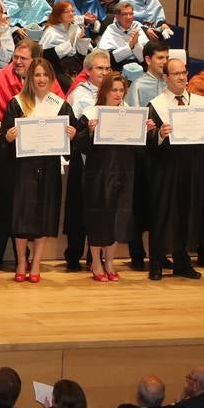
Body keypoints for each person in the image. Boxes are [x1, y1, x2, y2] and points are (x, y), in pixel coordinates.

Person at [0, 57, 75, 282]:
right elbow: (3, 140)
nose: (41, 79)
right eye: (37, 75)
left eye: (45, 75)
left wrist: (70, 136)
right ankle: (22, 260)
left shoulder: (60, 105)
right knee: (21, 215)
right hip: (22, 169)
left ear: (51, 79)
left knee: (44, 214)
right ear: (29, 78)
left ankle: (37, 262)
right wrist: (8, 138)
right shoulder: (17, 103)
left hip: (49, 168)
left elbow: (70, 144)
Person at [145, 58, 204, 281]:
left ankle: (182, 261)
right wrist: (159, 136)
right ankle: (156, 262)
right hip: (166, 168)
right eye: (176, 74)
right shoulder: (156, 105)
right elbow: (147, 141)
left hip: (192, 166)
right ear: (166, 78)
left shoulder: (201, 103)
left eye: (184, 73)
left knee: (187, 214)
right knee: (162, 216)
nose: (182, 77)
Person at [74, 73, 146, 281]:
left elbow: (139, 150)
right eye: (113, 90)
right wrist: (89, 131)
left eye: (121, 90)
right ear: (104, 91)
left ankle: (110, 261)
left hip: (124, 172)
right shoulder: (91, 114)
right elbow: (81, 147)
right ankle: (95, 261)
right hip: (98, 174)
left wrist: (145, 132)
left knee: (119, 217)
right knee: (99, 218)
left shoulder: (131, 114)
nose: (117, 94)